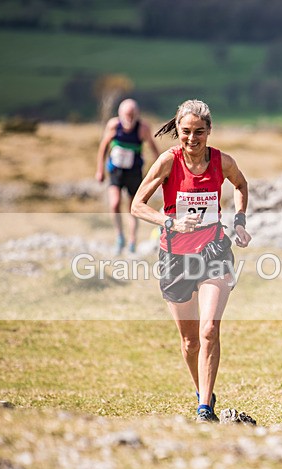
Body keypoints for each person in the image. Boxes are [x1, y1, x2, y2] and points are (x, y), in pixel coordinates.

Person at [131, 99, 251, 423]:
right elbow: (137, 205)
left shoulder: (222, 162)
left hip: (214, 253)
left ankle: (203, 409)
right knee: (189, 340)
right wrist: (169, 222)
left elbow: (241, 185)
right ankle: (203, 394)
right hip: (175, 258)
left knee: (209, 329)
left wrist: (239, 220)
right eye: (186, 131)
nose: (192, 138)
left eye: (199, 132)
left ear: (209, 131)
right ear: (178, 130)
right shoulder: (167, 162)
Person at [96, 98, 161, 254]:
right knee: (114, 203)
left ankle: (132, 241)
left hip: (134, 172)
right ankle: (120, 237)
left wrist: (160, 170)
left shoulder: (143, 128)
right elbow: (103, 146)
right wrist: (100, 170)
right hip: (116, 171)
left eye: (132, 115)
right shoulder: (113, 125)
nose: (129, 118)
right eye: (127, 114)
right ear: (120, 114)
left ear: (137, 114)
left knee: (134, 207)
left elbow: (154, 148)